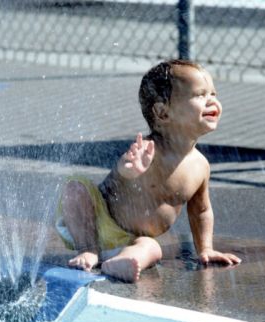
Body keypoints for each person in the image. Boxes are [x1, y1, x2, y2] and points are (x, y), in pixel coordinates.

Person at [56, 59, 241, 283]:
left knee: (152, 248)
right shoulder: (148, 151)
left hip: (131, 239)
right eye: (200, 95)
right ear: (163, 112)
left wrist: (206, 249)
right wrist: (129, 170)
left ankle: (123, 262)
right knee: (76, 188)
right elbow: (120, 177)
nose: (212, 101)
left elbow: (201, 211)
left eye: (213, 93)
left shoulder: (200, 166)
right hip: (97, 220)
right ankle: (88, 250)